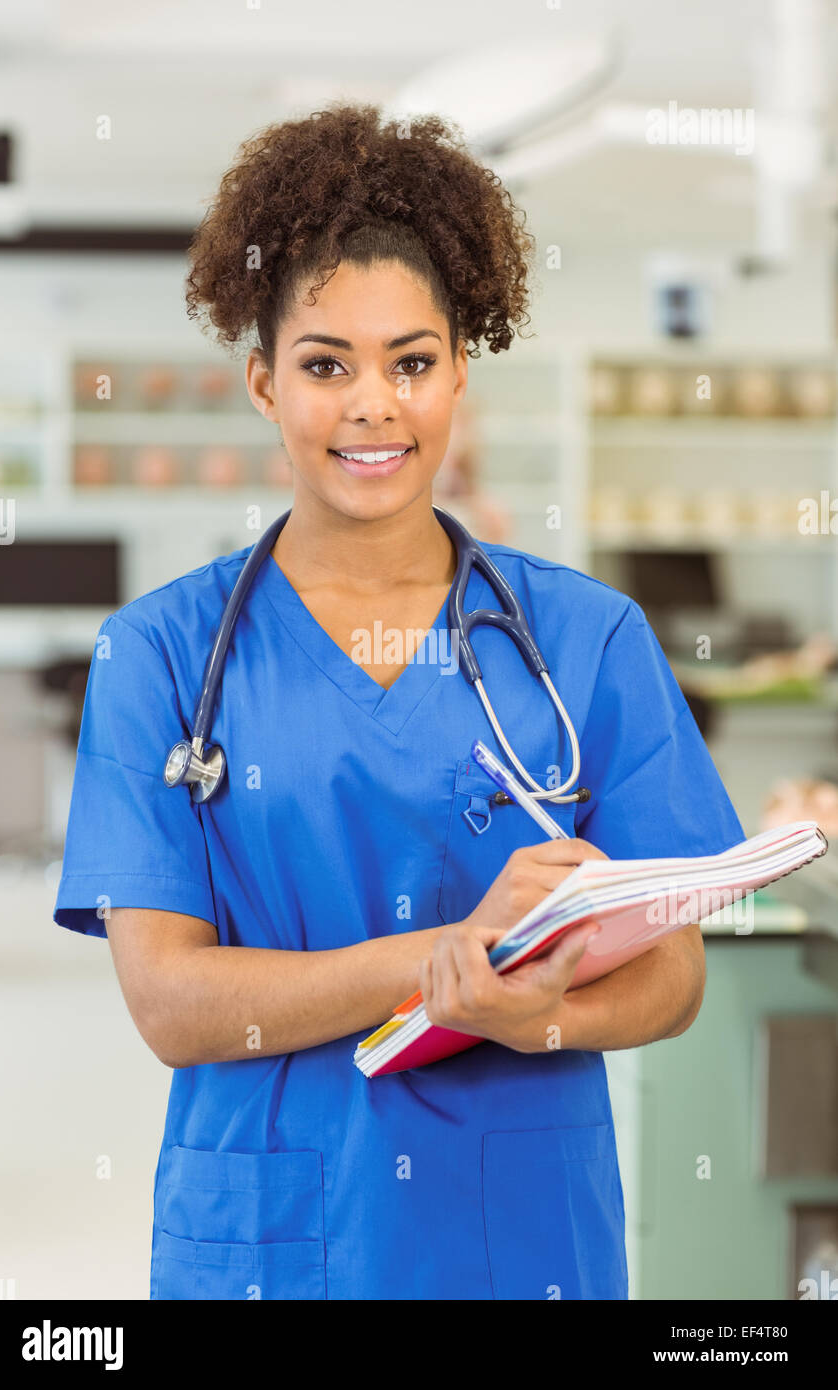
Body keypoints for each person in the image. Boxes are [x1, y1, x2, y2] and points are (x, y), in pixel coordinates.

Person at [53, 102, 745, 1301]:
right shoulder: (158, 656)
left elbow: (672, 975)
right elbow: (171, 1002)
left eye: (411, 362)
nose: (373, 405)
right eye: (326, 364)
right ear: (266, 383)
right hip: (272, 1235)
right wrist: (445, 955)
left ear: (455, 377)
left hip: (519, 1232)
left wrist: (535, 1016)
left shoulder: (587, 640)